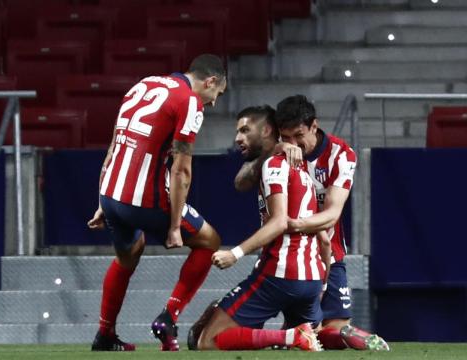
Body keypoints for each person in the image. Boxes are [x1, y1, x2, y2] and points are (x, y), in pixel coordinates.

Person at [87, 54, 226, 351]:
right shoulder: (189, 101)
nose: (214, 102)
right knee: (209, 240)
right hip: (145, 200)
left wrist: (102, 199)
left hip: (112, 194)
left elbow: (115, 145)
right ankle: (169, 317)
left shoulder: (143, 84)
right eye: (218, 94)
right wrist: (175, 226)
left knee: (129, 254)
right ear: (210, 81)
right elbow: (181, 169)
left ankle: (104, 334)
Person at [188, 105, 331, 352]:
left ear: (266, 130)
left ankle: (290, 337)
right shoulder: (302, 171)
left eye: (244, 130)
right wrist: (322, 285)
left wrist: (235, 253)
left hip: (279, 273)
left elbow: (279, 222)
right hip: (312, 278)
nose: (237, 138)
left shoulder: (275, 164)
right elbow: (325, 240)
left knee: (208, 341)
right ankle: (345, 335)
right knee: (313, 340)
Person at [274, 95, 389, 351]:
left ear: (314, 126)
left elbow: (332, 214)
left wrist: (289, 224)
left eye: (298, 135)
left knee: (334, 332)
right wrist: (274, 150)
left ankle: (353, 336)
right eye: (285, 137)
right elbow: (242, 182)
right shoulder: (277, 153)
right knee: (304, 336)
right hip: (291, 258)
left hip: (331, 253)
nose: (292, 144)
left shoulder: (341, 154)